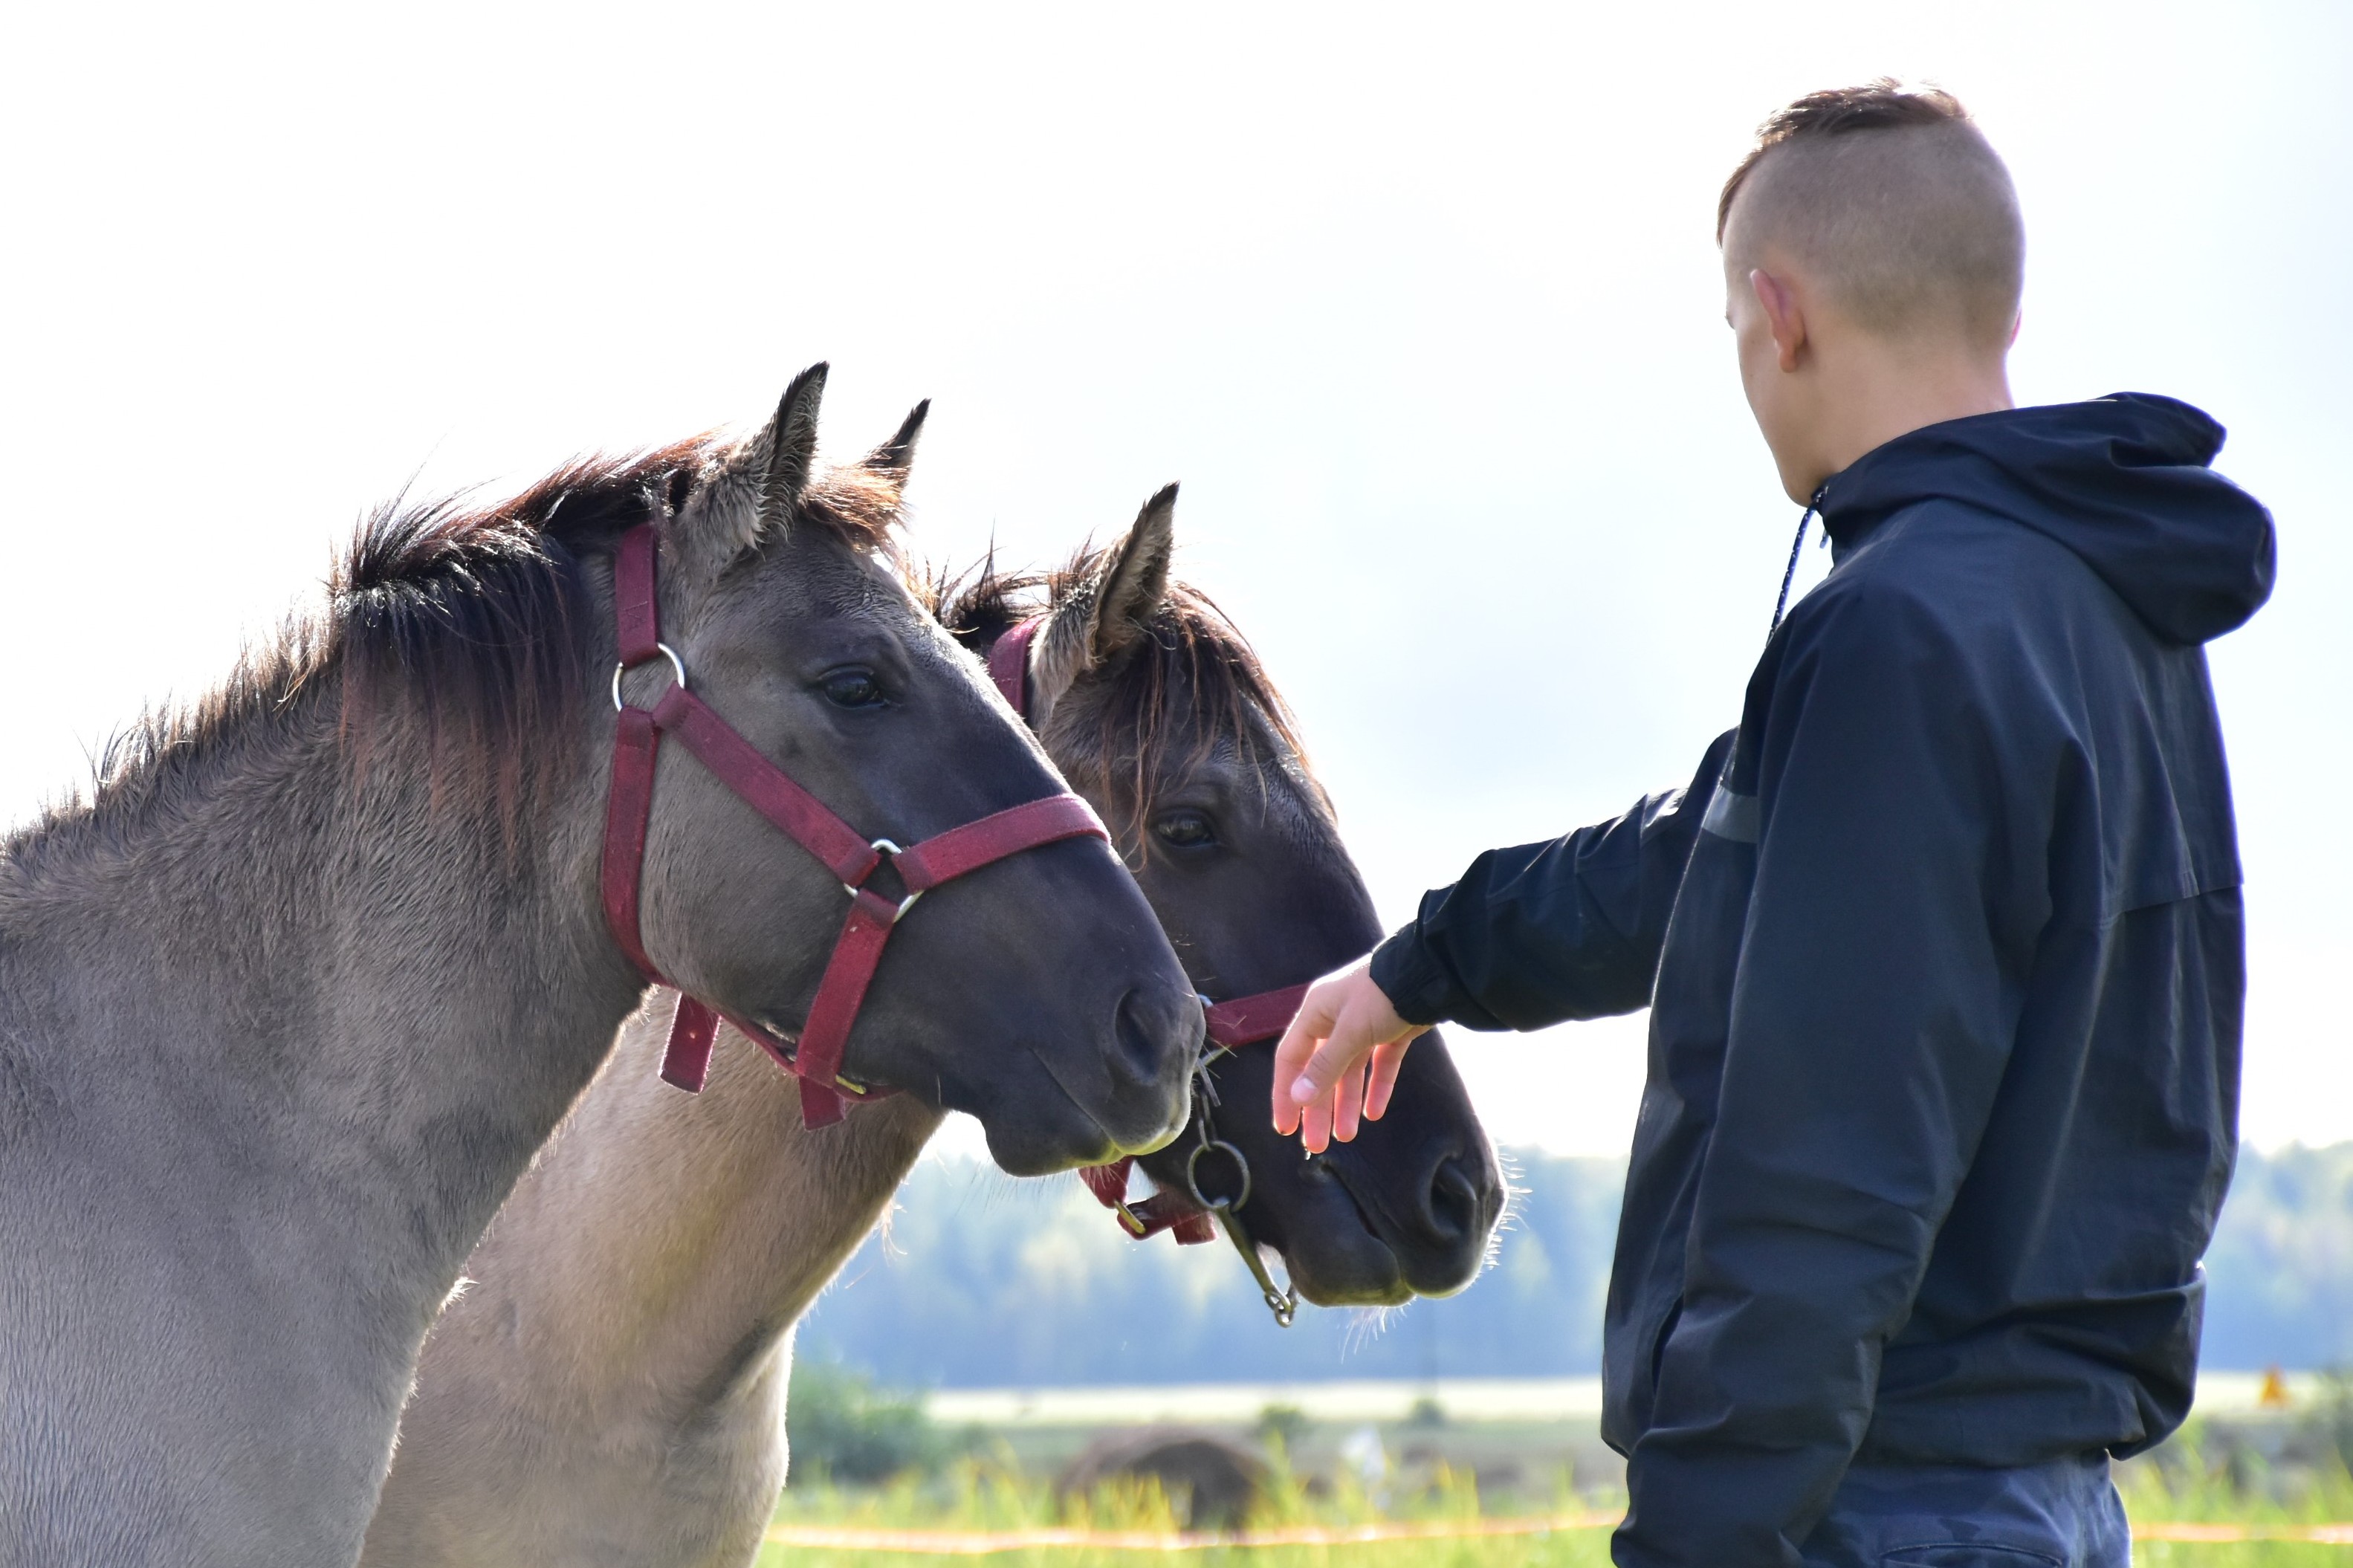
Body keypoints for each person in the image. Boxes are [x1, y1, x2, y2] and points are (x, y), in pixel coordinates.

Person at [1271, 82, 2275, 1568]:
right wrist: (1421, 965)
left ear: (1776, 310)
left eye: (1732, 328)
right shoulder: (2093, 610)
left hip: (1870, 1500)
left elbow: (1829, 1164)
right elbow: (1708, 852)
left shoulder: (1895, 634)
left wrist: (1701, 1527)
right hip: (2045, 1495)